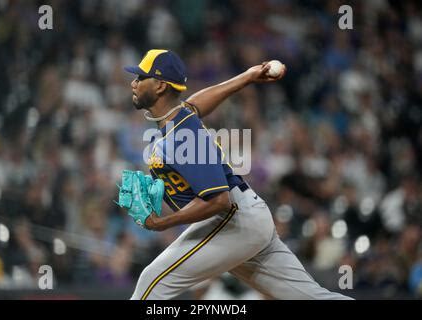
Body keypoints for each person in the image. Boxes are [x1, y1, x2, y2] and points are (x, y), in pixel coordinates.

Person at [123, 49, 352, 300]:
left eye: (140, 77)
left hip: (232, 219)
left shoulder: (181, 135)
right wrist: (247, 77)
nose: (133, 83)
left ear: (159, 86)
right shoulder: (179, 119)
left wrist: (161, 223)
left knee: (152, 283)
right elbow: (197, 104)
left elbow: (219, 200)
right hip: (247, 221)